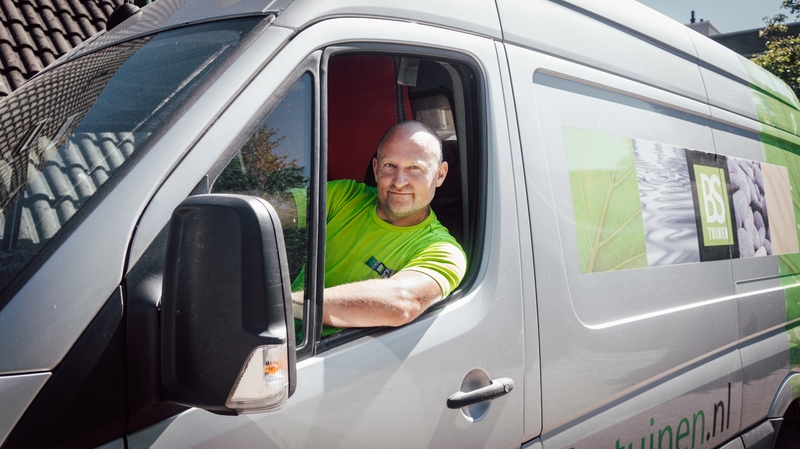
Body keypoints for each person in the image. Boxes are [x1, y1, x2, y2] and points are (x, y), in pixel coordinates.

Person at [291, 120, 466, 329]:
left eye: (415, 167)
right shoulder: (345, 195)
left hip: (332, 355)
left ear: (440, 174)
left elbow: (402, 302)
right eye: (390, 165)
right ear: (375, 168)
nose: (399, 181)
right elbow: (272, 208)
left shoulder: (442, 251)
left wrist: (283, 307)